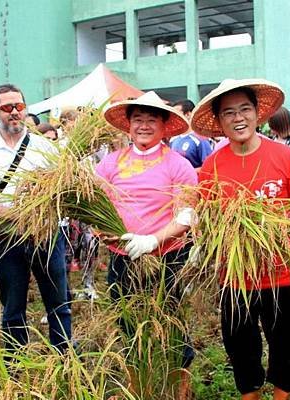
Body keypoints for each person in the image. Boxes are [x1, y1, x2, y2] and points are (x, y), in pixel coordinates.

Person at [191, 79, 290, 400]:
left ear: (258, 113)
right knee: (240, 347)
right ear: (219, 122)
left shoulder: (285, 156)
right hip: (235, 278)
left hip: (281, 274)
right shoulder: (212, 166)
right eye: (229, 113)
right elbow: (204, 216)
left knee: (286, 344)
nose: (238, 118)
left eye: (245, 109)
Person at [96, 91, 197, 397]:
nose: (143, 126)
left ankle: (179, 389)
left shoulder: (178, 165)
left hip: (167, 259)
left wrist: (152, 239)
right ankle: (138, 386)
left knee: (172, 324)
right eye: (137, 119)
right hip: (122, 259)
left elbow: (187, 217)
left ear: (165, 125)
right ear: (128, 125)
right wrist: (102, 230)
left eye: (151, 120)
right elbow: (96, 205)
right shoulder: (110, 164)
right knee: (129, 326)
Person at [0, 83, 71, 352]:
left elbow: (62, 192)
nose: (14, 112)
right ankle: (15, 366)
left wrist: (41, 215)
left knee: (58, 302)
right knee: (12, 306)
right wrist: (15, 216)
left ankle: (64, 358)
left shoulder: (46, 148)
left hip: (46, 235)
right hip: (6, 236)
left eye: (19, 106)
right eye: (7, 108)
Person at [169, 99, 213, 170]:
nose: (174, 117)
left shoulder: (201, 139)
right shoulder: (173, 139)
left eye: (177, 114)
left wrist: (188, 173)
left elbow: (208, 166)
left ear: (188, 114)